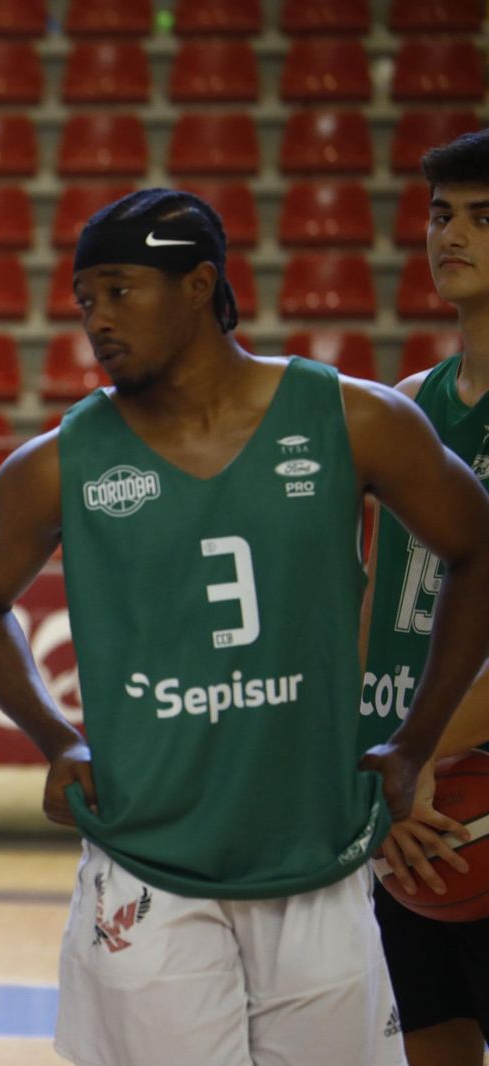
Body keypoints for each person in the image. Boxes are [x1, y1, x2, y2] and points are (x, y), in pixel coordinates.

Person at [0, 187, 489, 1066]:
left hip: (317, 854)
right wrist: (56, 738)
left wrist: (414, 741)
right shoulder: (58, 464)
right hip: (145, 862)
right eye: (87, 301)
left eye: (121, 291)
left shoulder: (352, 419)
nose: (98, 320)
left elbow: (477, 550)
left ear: (199, 285)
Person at [361, 128, 489, 1066]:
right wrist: (378, 764)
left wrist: (417, 758)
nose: (452, 235)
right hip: (410, 784)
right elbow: (379, 605)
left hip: (459, 772)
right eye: (443, 214)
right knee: (431, 1042)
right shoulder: (408, 402)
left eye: (483, 218)